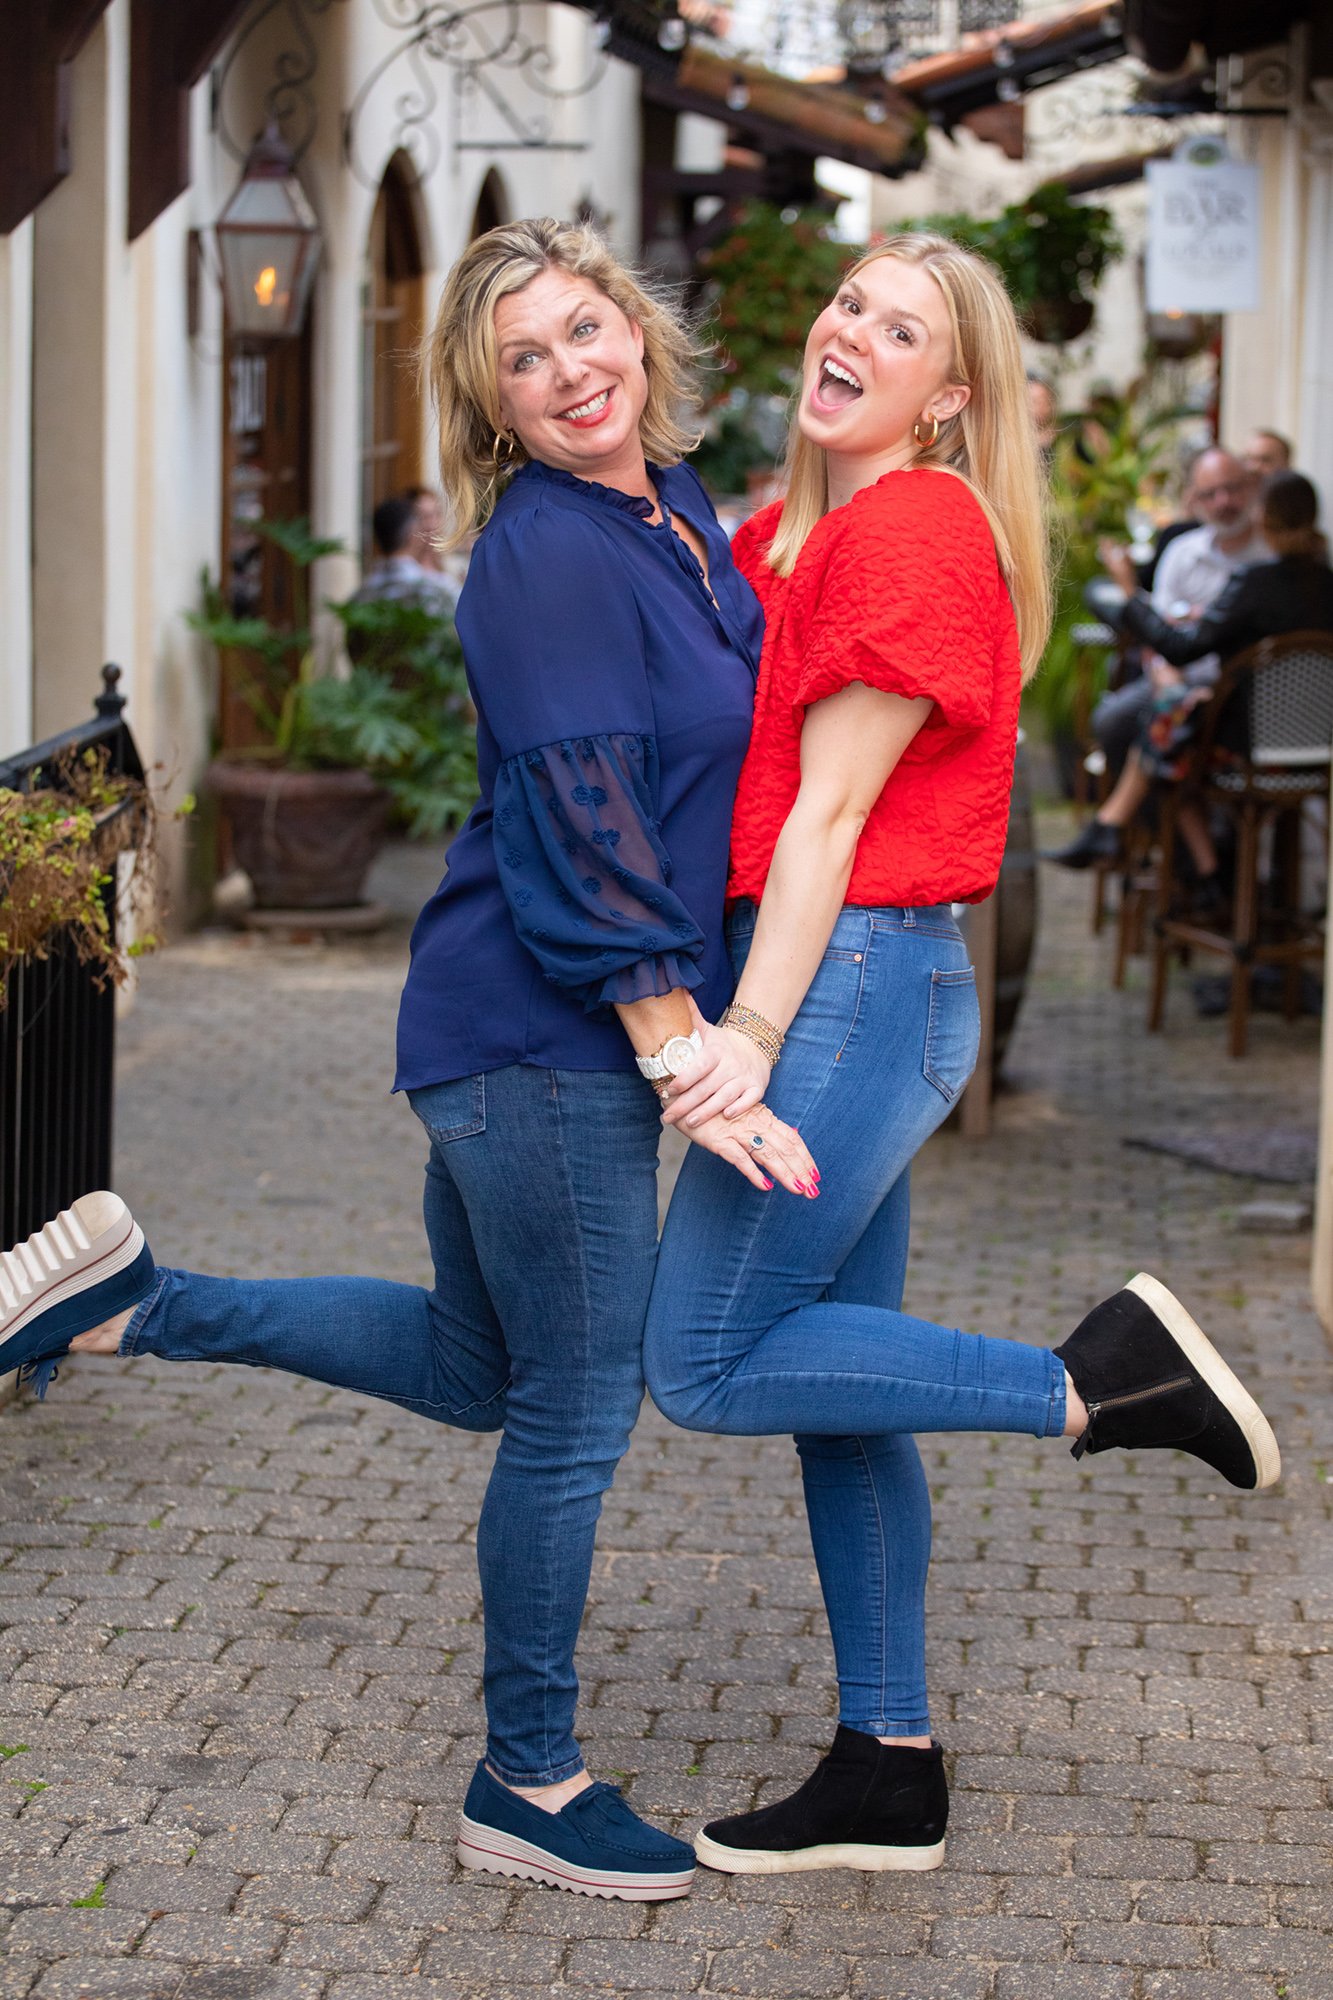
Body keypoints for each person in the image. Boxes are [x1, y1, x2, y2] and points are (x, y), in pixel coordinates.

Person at [0, 219, 814, 1905]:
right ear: (490, 406)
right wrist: (680, 1051)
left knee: (471, 1364)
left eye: (583, 330)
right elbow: (584, 815)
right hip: (543, 1035)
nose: (568, 372)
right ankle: (528, 1778)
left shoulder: (672, 514)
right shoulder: (548, 554)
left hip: (517, 1031)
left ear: (639, 332)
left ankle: (134, 1301)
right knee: (573, 1412)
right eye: (523, 359)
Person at [638, 232, 1281, 1878]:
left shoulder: (914, 528)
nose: (851, 326)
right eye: (848, 298)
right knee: (838, 1391)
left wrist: (747, 1038)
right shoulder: (801, 526)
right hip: (845, 979)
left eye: (902, 325)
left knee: (700, 1356)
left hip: (845, 985)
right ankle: (889, 1766)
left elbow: (832, 815)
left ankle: (1098, 1381)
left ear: (949, 392)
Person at [1073, 471, 1333, 901]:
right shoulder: (1326, 583)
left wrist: (1129, 591)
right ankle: (1210, 876)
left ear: (1263, 517)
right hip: (1317, 754)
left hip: (1245, 753)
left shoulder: (1255, 583)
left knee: (1166, 738)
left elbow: (1180, 649)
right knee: (1171, 717)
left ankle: (1201, 870)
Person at [1048, 445, 1271, 866]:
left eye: (1232, 489)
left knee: (1164, 732)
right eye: (1210, 494)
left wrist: (1130, 591)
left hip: (1240, 697)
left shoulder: (1269, 559)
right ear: (1194, 500)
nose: (1223, 501)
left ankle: (1171, 853)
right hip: (1178, 680)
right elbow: (1160, 635)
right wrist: (1164, 673)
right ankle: (1168, 851)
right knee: (1114, 722)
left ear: (1252, 487)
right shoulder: (1184, 552)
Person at [352, 493, 460, 615]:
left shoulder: (362, 594)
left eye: (437, 515)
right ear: (412, 534)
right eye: (424, 519)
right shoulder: (439, 592)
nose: (431, 526)